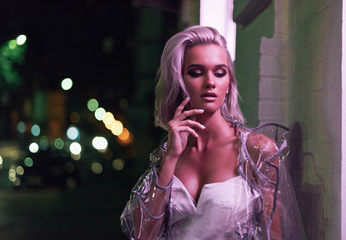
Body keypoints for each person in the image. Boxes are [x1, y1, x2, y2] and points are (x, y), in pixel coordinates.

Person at [121, 25, 305, 240]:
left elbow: (274, 235)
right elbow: (142, 234)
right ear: (179, 82)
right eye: (196, 73)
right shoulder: (169, 153)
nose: (210, 82)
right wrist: (171, 157)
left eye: (219, 73)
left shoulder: (257, 151)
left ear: (228, 84)